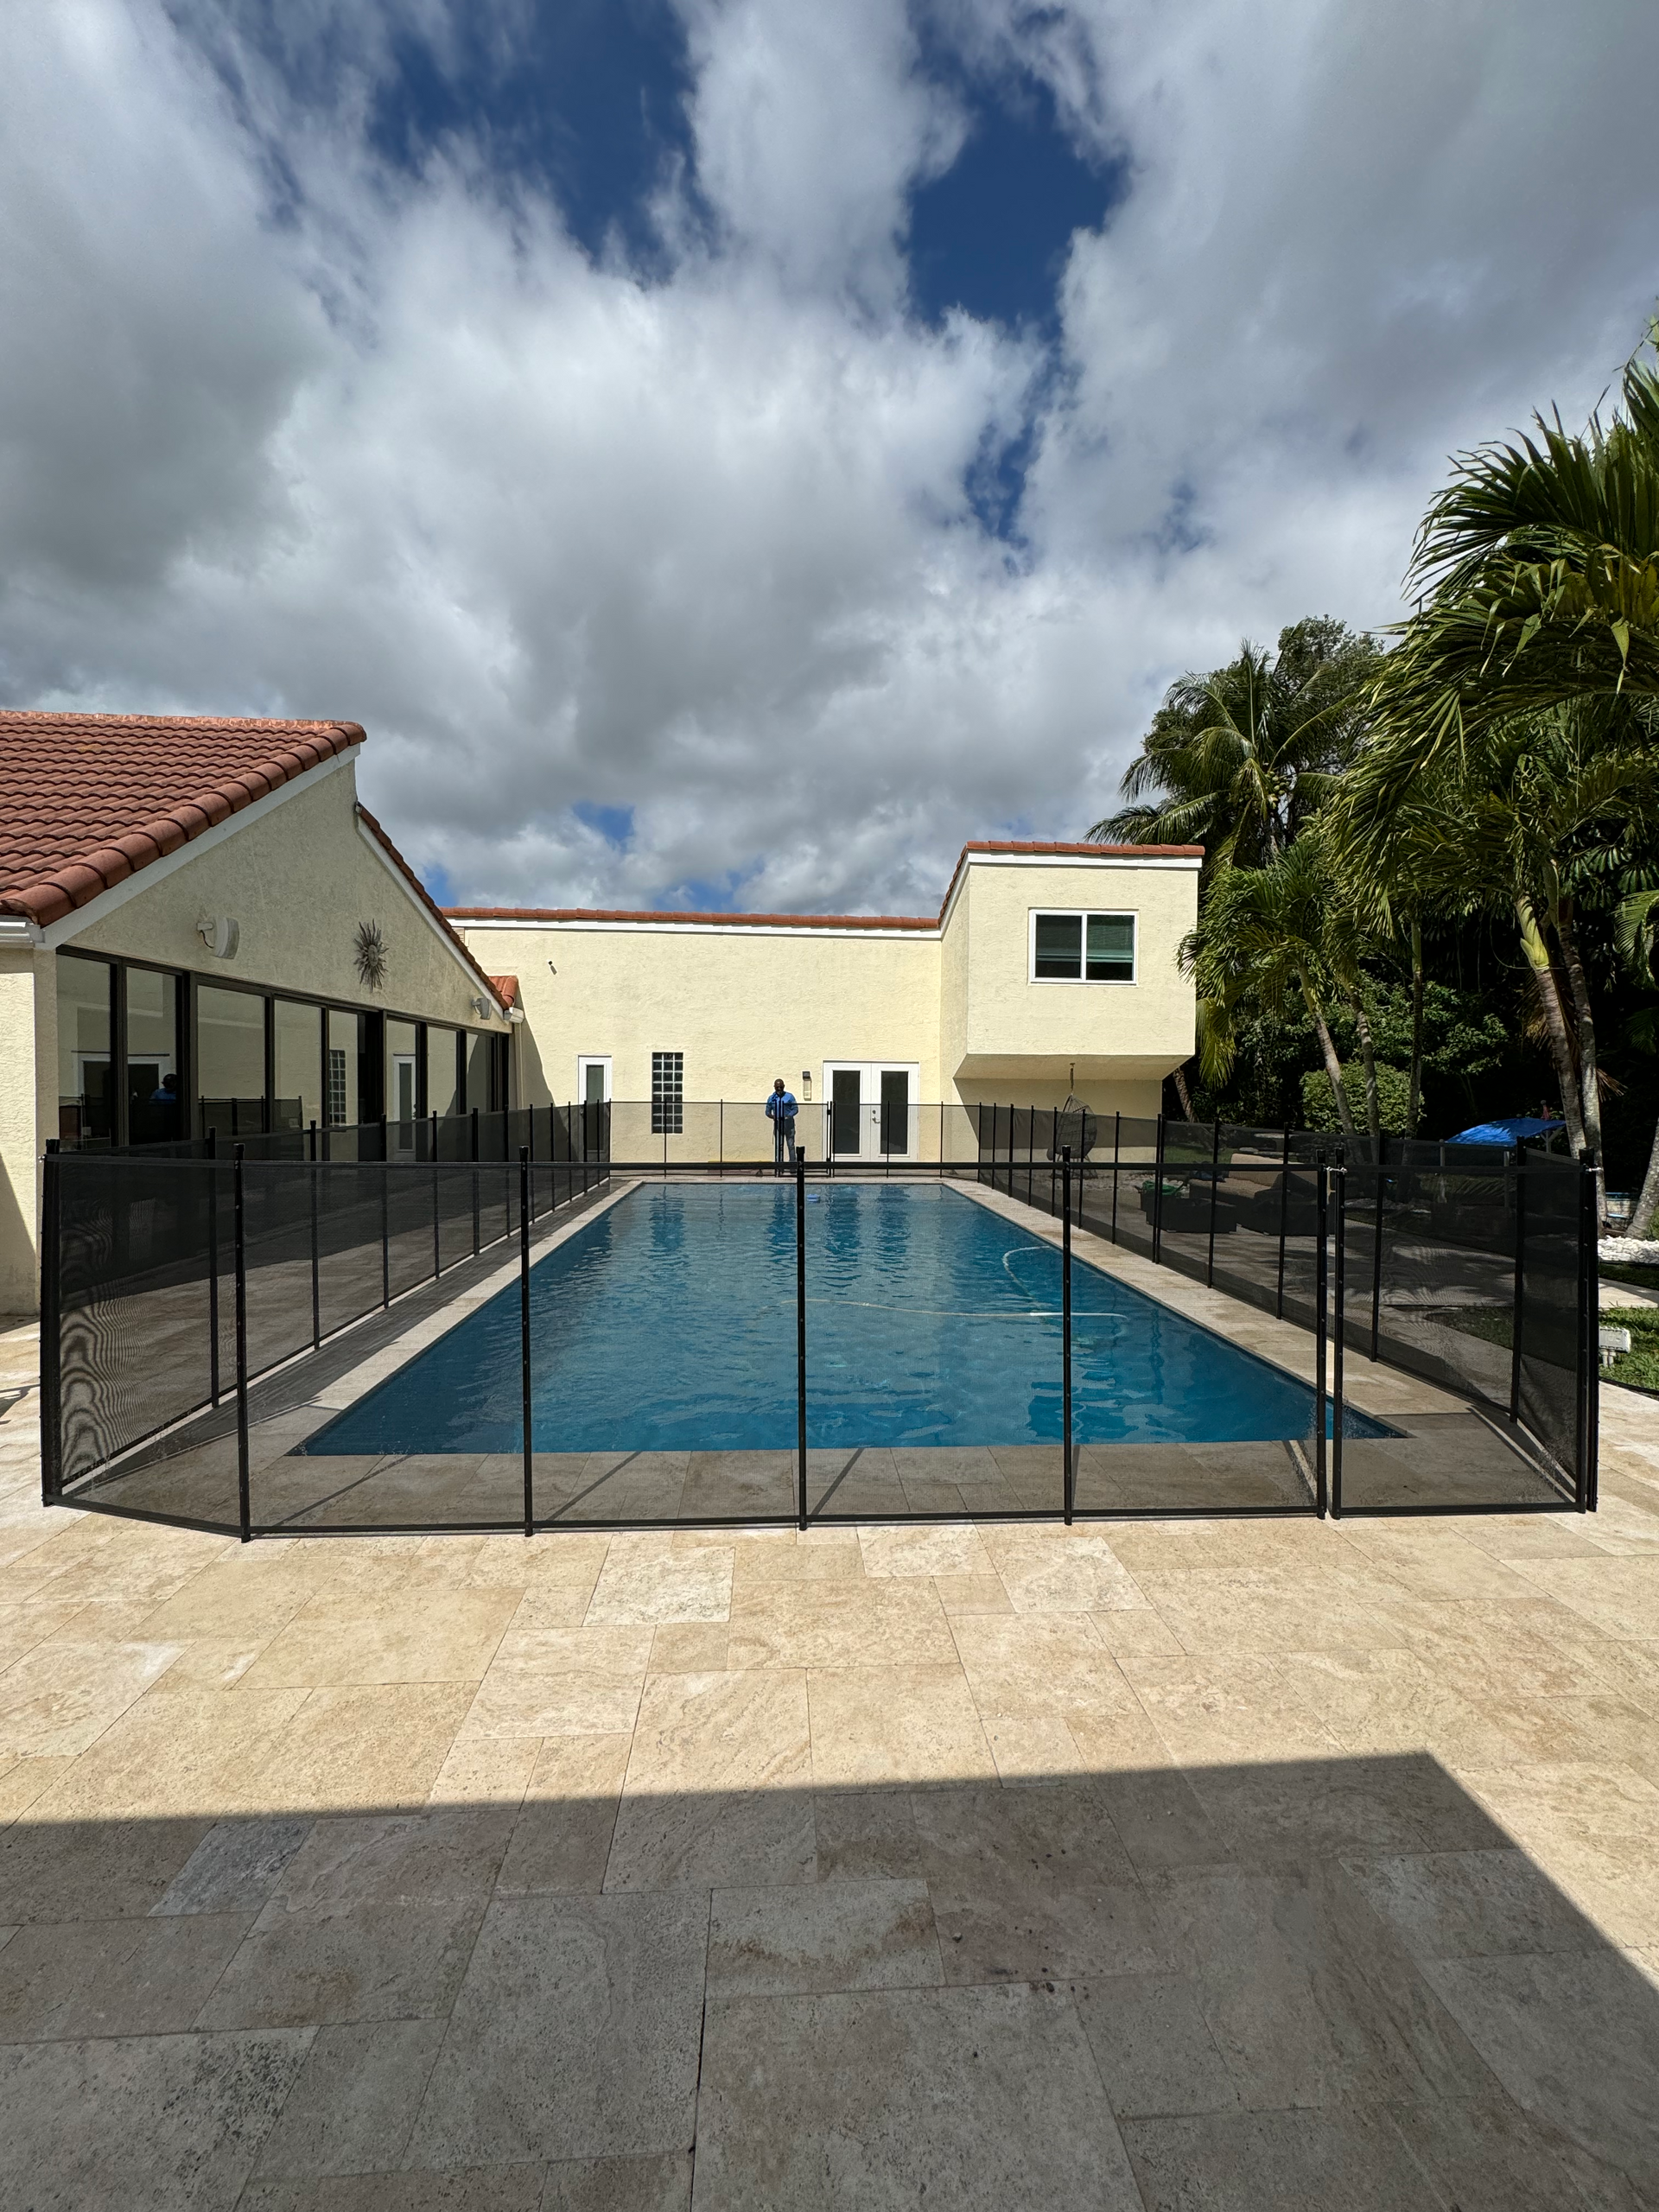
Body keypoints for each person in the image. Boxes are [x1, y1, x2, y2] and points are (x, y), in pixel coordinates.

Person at [765, 1077, 798, 1173]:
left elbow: (795, 1109)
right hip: (778, 1125)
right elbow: (767, 1111)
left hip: (789, 1125)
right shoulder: (771, 1098)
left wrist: (788, 1116)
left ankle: (793, 1167)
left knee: (791, 1145)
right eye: (777, 1087)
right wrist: (773, 1117)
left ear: (784, 1086)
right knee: (779, 1146)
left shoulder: (790, 1096)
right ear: (774, 1087)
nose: (779, 1089)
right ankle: (779, 1167)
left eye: (781, 1087)